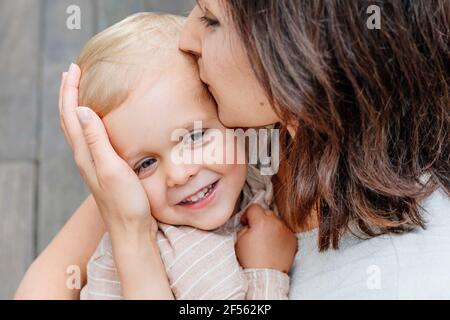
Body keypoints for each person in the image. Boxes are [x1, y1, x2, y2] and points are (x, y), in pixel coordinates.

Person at [17, 0, 450, 299]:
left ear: (292, 52)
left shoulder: (389, 278)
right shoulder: (237, 129)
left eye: (210, 19)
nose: (184, 37)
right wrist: (128, 223)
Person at [74, 12, 295, 300]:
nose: (180, 173)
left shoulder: (259, 164)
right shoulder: (146, 264)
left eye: (194, 136)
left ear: (231, 120)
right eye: (146, 163)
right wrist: (266, 274)